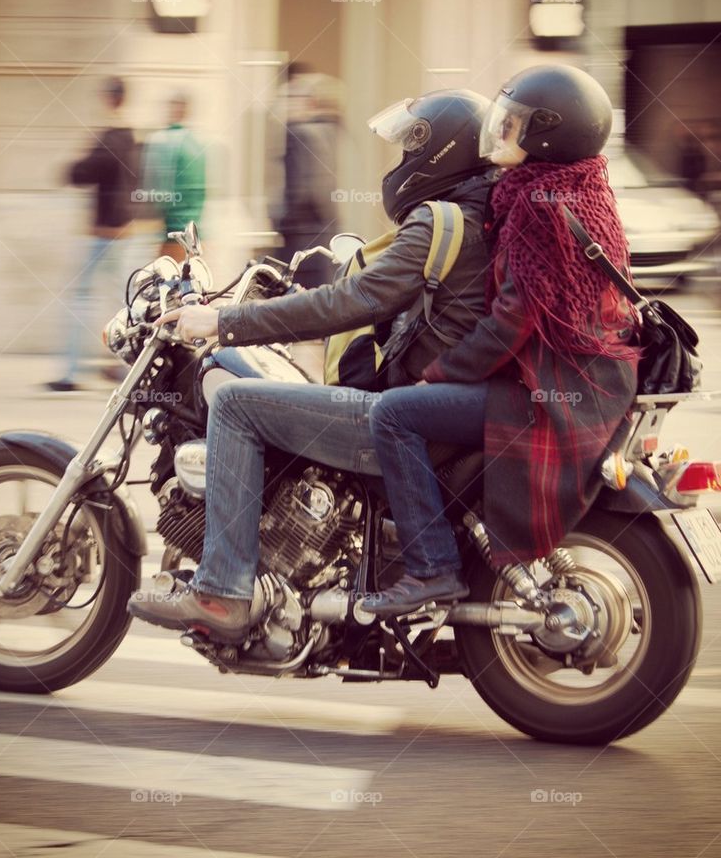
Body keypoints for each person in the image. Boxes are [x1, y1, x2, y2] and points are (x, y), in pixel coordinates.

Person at [127, 89, 497, 641]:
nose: (401, 164)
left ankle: (223, 590)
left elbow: (351, 301)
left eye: (409, 148)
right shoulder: (480, 213)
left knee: (233, 403)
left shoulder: (440, 221)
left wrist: (225, 321)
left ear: (439, 151)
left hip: (403, 414)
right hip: (440, 405)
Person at [362, 65, 640, 615]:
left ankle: (431, 569)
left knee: (395, 414)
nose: (498, 134)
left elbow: (511, 323)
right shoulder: (579, 192)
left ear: (547, 136)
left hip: (554, 392)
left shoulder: (537, 210)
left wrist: (435, 375)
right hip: (592, 380)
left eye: (512, 124)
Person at [47, 76, 137, 393]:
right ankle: (117, 365)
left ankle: (71, 372)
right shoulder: (131, 137)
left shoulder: (111, 137)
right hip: (122, 231)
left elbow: (81, 172)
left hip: (103, 232)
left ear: (108, 98)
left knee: (80, 297)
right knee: (114, 300)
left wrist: (75, 161)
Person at [271, 73, 344, 289]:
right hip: (325, 236)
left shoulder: (298, 133)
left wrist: (278, 221)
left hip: (299, 240)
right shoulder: (333, 132)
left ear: (310, 101)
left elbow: (300, 192)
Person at [139, 89, 207, 262]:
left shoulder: (164, 141)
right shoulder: (197, 143)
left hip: (173, 231)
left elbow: (158, 189)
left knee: (165, 281)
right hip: (196, 232)